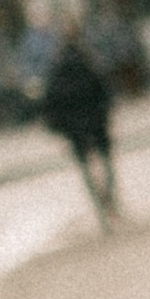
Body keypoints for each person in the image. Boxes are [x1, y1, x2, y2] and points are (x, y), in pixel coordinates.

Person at [39, 29, 118, 224]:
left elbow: (50, 104)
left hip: (74, 128)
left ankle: (100, 206)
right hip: (95, 122)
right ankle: (109, 197)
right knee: (106, 160)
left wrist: (60, 126)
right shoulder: (89, 67)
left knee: (85, 167)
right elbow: (105, 94)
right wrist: (104, 113)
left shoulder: (55, 73)